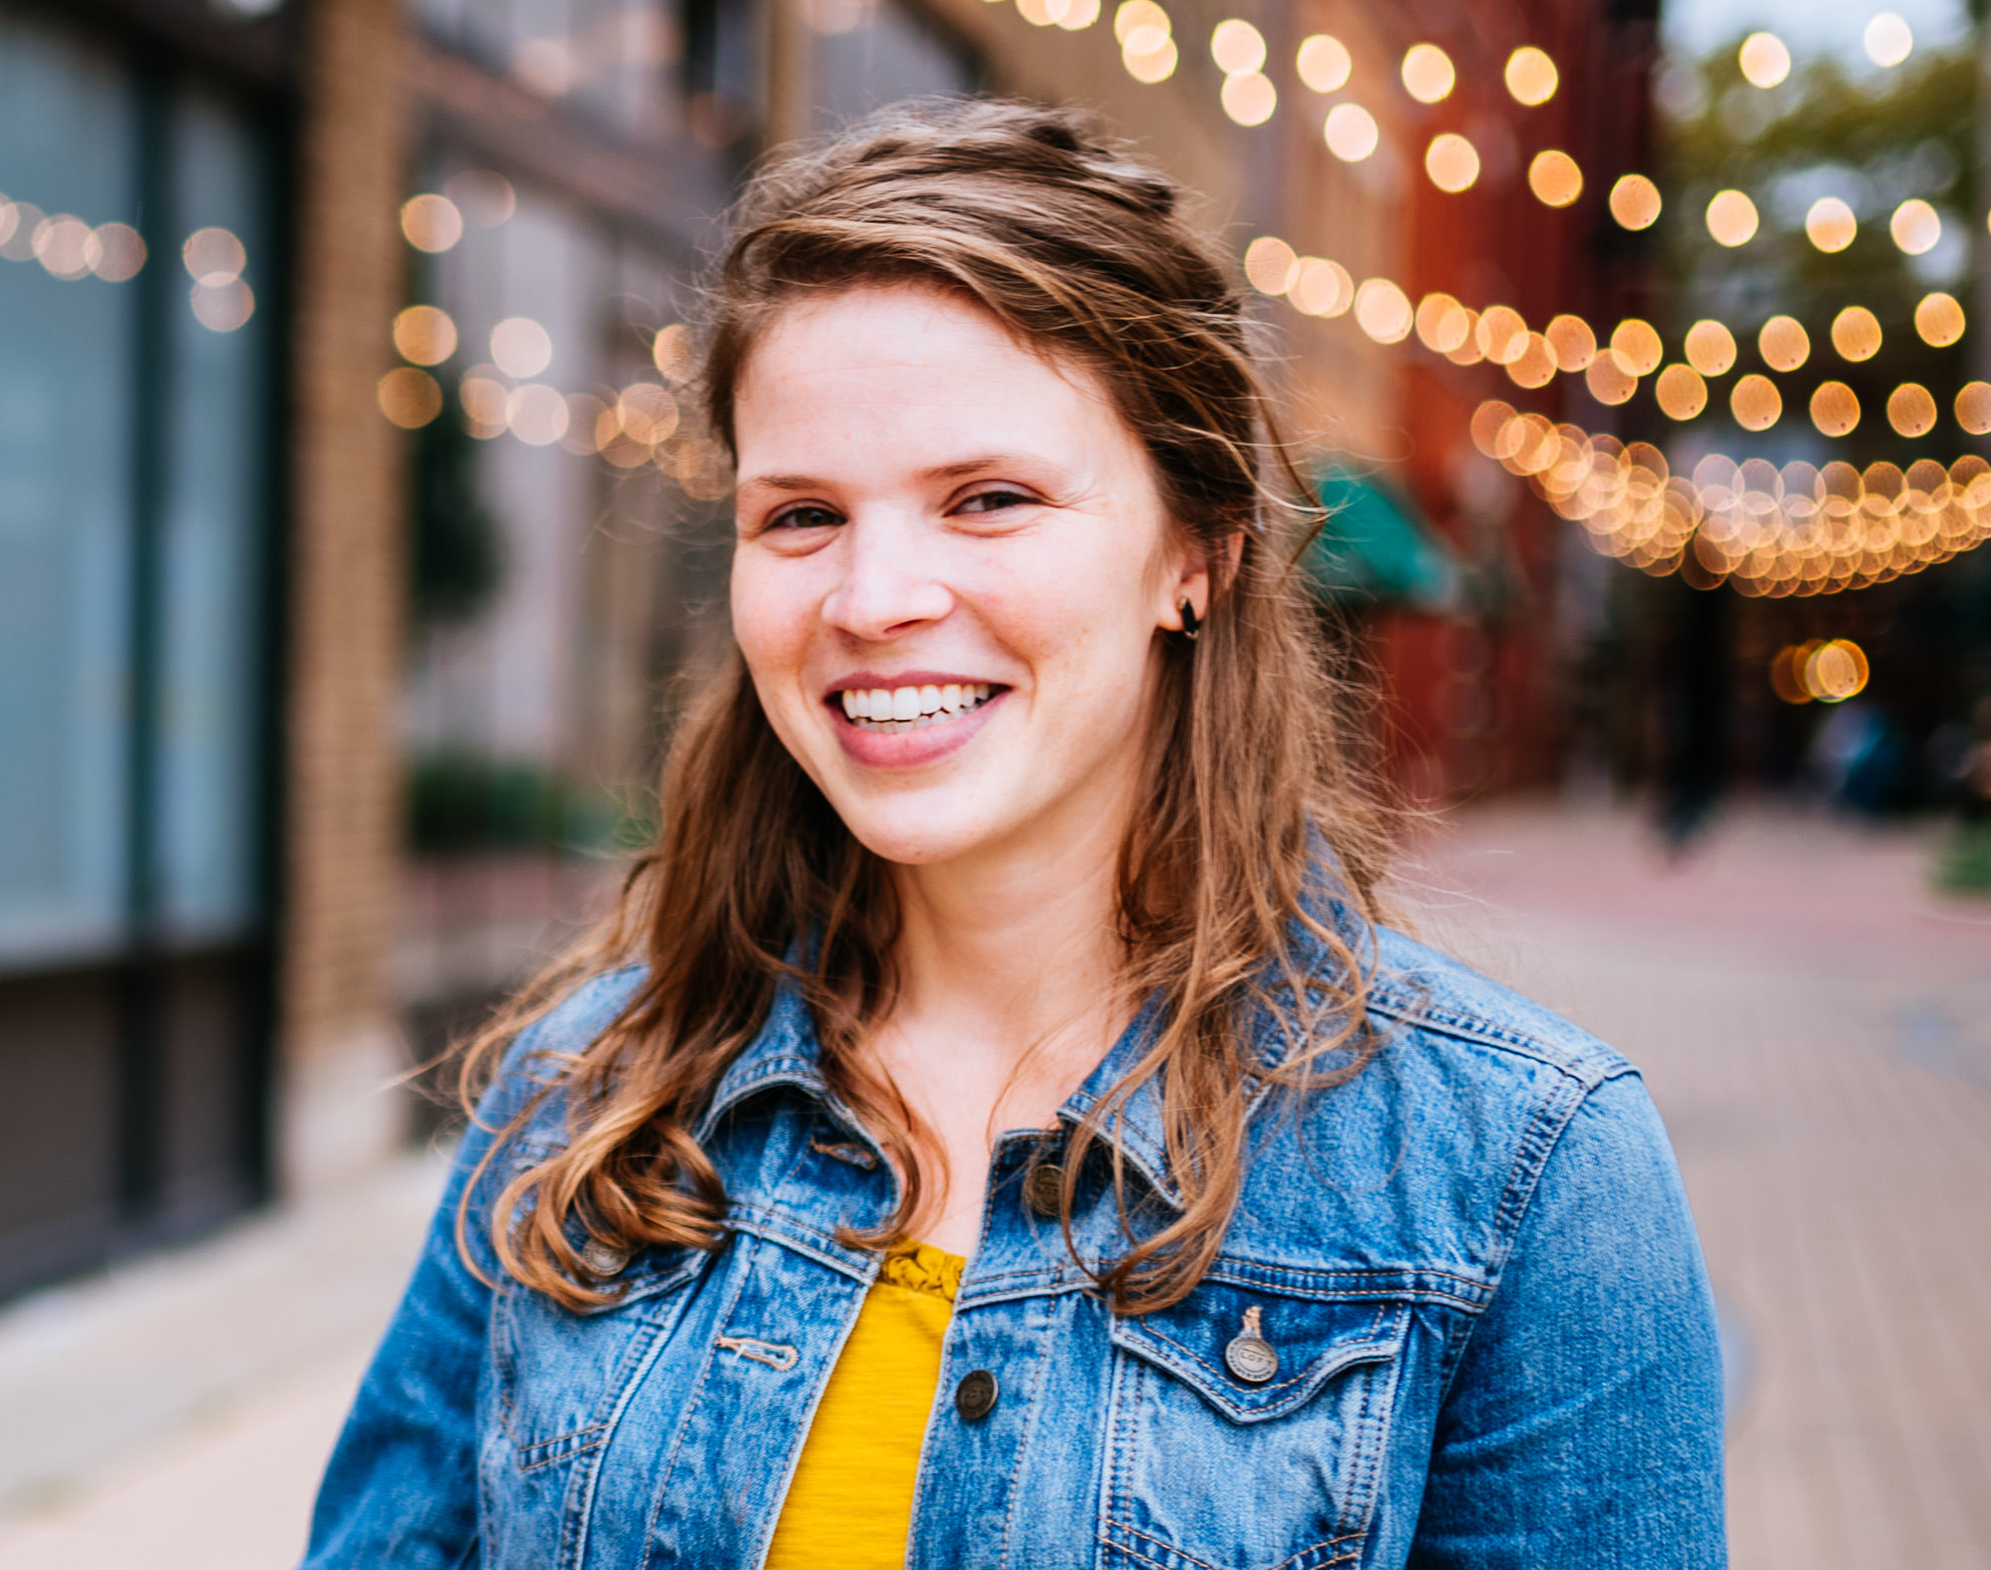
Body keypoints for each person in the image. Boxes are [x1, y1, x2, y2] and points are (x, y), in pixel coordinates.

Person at [304, 100, 1723, 1570]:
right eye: (800, 517)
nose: (872, 597)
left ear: (1198, 551)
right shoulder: (580, 1100)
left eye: (987, 499)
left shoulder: (1519, 1177)